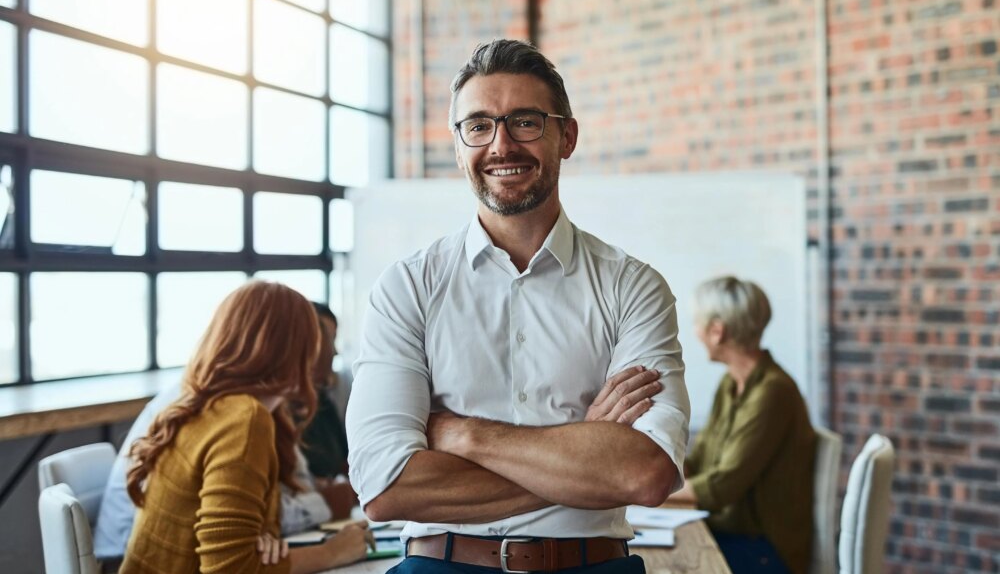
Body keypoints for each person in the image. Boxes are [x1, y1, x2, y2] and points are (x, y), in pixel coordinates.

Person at [346, 39, 691, 573]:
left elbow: (644, 474)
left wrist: (463, 433)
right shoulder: (407, 288)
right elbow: (385, 487)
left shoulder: (633, 287)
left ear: (567, 136)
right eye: (479, 126)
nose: (501, 145)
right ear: (460, 146)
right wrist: (584, 454)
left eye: (525, 121)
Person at [119, 281, 372, 574]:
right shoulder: (245, 418)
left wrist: (259, 538)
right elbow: (230, 570)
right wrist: (333, 552)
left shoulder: (213, 404)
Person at [670, 276, 816, 574]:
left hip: (763, 551)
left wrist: (645, 492)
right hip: (732, 535)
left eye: (697, 323)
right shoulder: (730, 383)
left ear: (717, 331)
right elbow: (699, 462)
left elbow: (722, 486)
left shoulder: (773, 391)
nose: (694, 332)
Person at [298, 302, 357, 518]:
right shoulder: (265, 413)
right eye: (325, 340)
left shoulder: (322, 402)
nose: (333, 352)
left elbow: (345, 464)